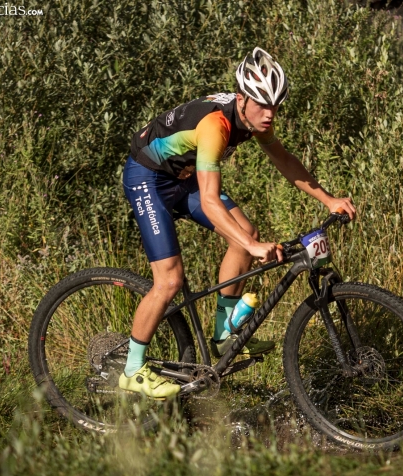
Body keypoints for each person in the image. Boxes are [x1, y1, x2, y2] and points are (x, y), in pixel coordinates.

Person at [120, 47, 356, 400]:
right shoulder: (216, 125)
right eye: (263, 105)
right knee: (169, 279)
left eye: (275, 106)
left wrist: (329, 199)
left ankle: (223, 334)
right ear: (243, 98)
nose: (269, 114)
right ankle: (132, 369)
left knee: (246, 233)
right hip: (148, 177)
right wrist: (253, 248)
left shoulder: (251, 118)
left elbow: (284, 159)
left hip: (181, 176)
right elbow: (211, 201)